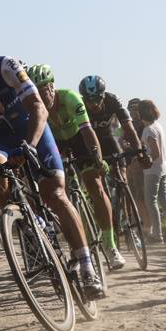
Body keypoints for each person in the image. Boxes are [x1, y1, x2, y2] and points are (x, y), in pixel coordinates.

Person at [0, 25, 103, 297]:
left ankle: (86, 265)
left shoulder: (7, 67)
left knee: (55, 193)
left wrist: (29, 145)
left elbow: (38, 107)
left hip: (32, 127)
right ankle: (31, 226)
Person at [33, 66, 126, 269]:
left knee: (95, 185)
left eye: (45, 89)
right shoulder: (34, 107)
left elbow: (88, 132)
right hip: (57, 144)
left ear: (52, 86)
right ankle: (76, 249)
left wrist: (98, 159)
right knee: (59, 195)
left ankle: (110, 247)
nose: (42, 94)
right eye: (37, 90)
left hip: (79, 139)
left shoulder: (71, 98)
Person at [138, 101, 166, 242]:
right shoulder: (158, 126)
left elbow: (155, 152)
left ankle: (157, 235)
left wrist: (145, 159)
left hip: (152, 170)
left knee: (151, 202)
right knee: (164, 200)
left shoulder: (148, 130)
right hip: (163, 168)